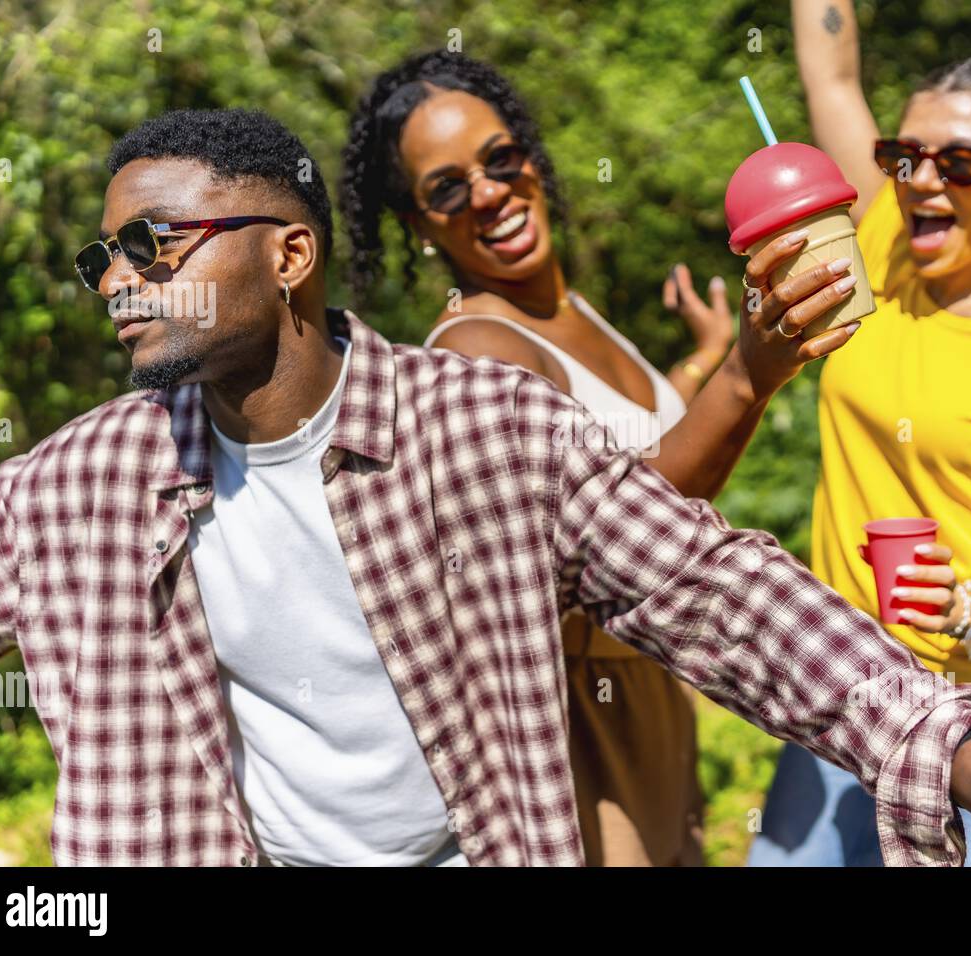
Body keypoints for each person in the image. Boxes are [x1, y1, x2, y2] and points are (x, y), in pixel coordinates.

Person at [0, 106, 971, 867]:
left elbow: (722, 591)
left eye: (154, 245)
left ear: (289, 255)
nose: (117, 280)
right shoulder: (83, 483)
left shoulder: (482, 429)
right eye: (102, 256)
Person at [339, 50, 861, 866]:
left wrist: (702, 361)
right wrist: (746, 376)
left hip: (650, 682)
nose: (488, 192)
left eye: (501, 159)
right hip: (577, 711)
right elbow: (614, 530)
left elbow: (621, 450)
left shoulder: (566, 306)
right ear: (417, 223)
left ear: (531, 161)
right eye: (446, 188)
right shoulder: (477, 348)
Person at [748, 1, 971, 866]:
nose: (921, 180)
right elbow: (832, 71)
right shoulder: (882, 242)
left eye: (959, 162)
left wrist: (969, 608)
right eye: (903, 156)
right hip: (846, 688)